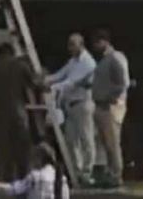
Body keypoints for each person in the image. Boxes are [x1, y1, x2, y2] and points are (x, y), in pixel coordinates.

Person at [0, 42, 44, 180]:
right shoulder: (20, 66)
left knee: (0, 150)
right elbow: (34, 83)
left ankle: (0, 179)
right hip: (18, 112)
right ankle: (23, 178)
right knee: (22, 148)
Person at [46, 33, 96, 185]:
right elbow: (60, 75)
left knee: (86, 139)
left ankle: (87, 173)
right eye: (69, 44)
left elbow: (71, 82)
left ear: (81, 44)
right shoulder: (73, 61)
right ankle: (77, 171)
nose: (70, 48)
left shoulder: (88, 63)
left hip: (82, 104)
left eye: (73, 44)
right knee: (71, 140)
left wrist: (52, 87)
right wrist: (45, 79)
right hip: (70, 105)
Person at [91, 30, 129, 188]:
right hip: (100, 106)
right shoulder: (104, 60)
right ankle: (110, 173)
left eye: (97, 43)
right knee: (106, 144)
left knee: (113, 143)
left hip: (109, 106)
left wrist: (110, 98)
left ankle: (116, 175)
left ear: (104, 41)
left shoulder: (115, 58)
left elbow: (123, 83)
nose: (95, 46)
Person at [0, 142, 67, 199]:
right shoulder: (63, 179)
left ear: (39, 159)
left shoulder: (35, 177)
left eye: (33, 158)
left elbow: (10, 190)